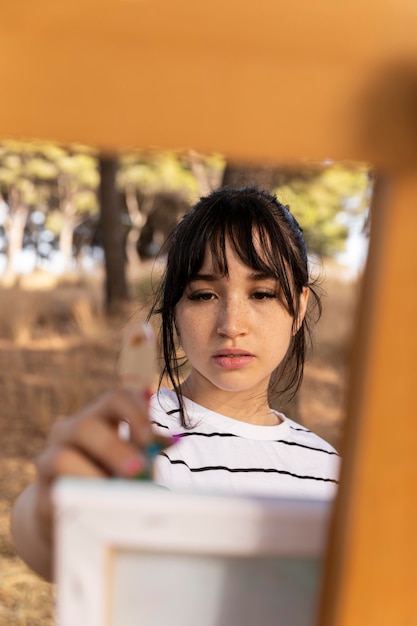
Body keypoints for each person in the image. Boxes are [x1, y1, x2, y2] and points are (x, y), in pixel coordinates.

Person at [11, 186, 340, 581]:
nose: (231, 325)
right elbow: (46, 538)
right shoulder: (134, 436)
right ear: (174, 310)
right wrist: (46, 509)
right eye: (203, 295)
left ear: (299, 307)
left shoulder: (329, 469)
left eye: (262, 293)